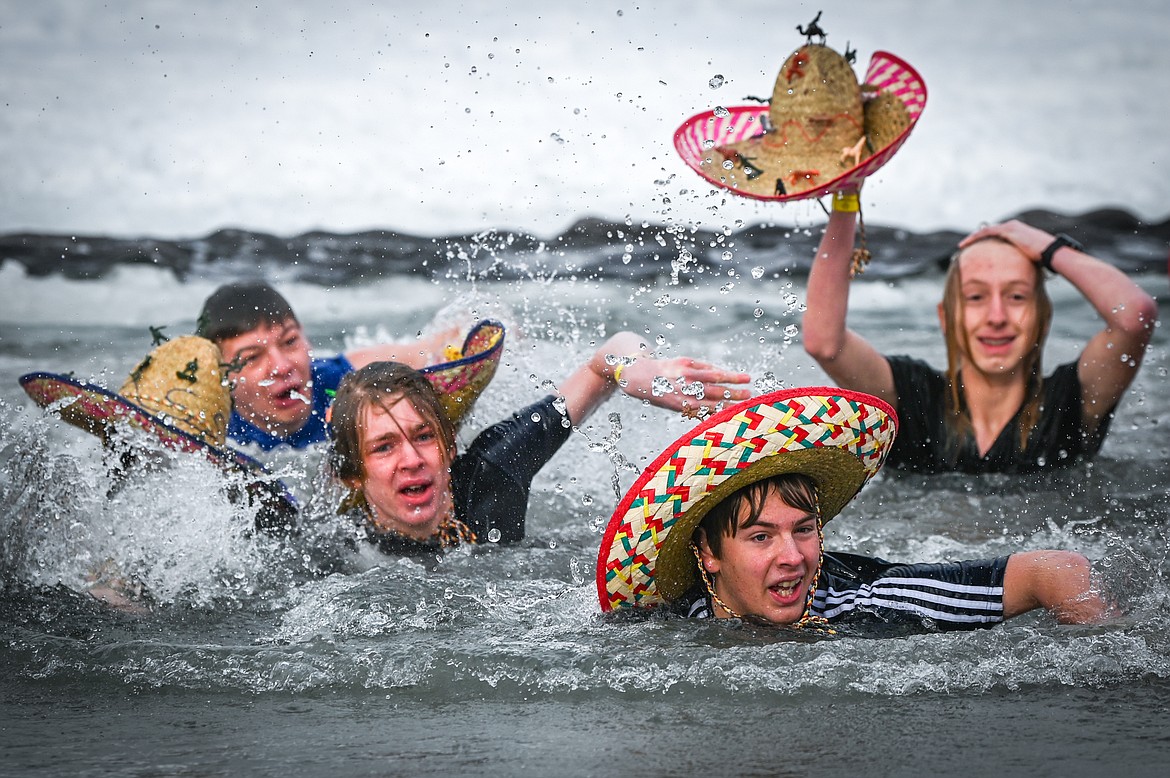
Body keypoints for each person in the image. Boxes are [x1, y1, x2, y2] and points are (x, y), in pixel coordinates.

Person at [596, 387, 1112, 633]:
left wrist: (1102, 667)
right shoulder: (663, 620)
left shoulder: (864, 602)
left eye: (804, 530)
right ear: (708, 552)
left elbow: (1058, 571)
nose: (793, 557)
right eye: (760, 537)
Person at [802, 202, 1158, 473]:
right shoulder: (912, 400)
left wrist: (1048, 247)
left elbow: (1135, 316)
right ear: (946, 316)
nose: (997, 317)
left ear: (1043, 317)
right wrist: (847, 200)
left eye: (1017, 296)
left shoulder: (1071, 405)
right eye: (975, 297)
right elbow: (825, 343)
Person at [327, 332, 753, 556]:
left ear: (450, 445)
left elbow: (606, 358)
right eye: (384, 447)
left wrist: (636, 371)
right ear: (352, 474)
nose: (412, 459)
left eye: (424, 436)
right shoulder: (335, 550)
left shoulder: (492, 470)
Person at [196, 281, 472, 451]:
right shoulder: (209, 430)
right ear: (222, 375)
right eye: (252, 358)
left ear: (307, 339)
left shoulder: (346, 379)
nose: (281, 367)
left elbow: (450, 340)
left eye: (290, 341)